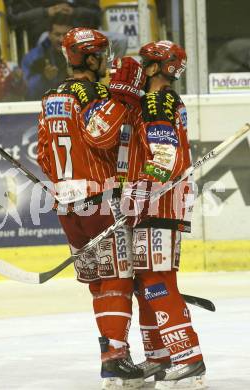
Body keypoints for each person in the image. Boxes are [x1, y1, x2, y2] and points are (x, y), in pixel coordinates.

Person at [37, 28, 147, 389]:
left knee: (99, 282)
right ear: (88, 57)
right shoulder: (95, 94)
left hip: (67, 205)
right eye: (101, 53)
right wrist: (125, 99)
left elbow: (42, 154)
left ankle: (111, 356)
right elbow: (101, 134)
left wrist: (65, 179)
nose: (105, 59)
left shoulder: (50, 97)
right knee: (117, 277)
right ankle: (116, 357)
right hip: (99, 199)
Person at [131, 41, 206, 389]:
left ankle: (189, 359)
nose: (139, 68)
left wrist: (141, 193)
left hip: (159, 205)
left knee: (157, 282)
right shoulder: (159, 101)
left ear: (158, 68)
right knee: (145, 283)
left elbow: (163, 157)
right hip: (158, 204)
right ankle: (159, 357)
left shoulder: (157, 100)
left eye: (145, 63)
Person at [21, 14, 72, 100]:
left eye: (65, 35)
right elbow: (26, 91)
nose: (61, 39)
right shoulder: (33, 57)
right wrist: (44, 78)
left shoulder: (81, 55)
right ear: (49, 34)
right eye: (57, 35)